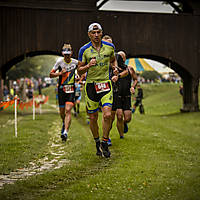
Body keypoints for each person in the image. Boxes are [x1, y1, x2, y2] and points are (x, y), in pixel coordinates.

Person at [78, 23, 118, 158]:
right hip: (91, 86)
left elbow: (113, 60)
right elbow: (79, 70)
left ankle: (105, 142)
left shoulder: (110, 47)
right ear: (89, 34)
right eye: (93, 33)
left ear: (101, 33)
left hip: (105, 84)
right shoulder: (84, 50)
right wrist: (88, 65)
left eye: (98, 32)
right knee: (93, 117)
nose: (96, 35)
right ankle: (97, 142)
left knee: (107, 115)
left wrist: (115, 68)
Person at [102, 35, 128, 146]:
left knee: (111, 117)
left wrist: (118, 76)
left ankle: (106, 136)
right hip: (102, 88)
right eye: (106, 44)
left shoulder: (117, 57)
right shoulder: (96, 56)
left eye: (110, 44)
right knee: (106, 115)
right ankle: (105, 139)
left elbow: (126, 71)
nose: (108, 46)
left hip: (114, 89)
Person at [50, 43, 78, 142]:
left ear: (71, 53)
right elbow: (51, 74)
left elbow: (82, 71)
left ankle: (65, 132)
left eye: (68, 54)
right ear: (62, 53)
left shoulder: (75, 62)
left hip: (71, 89)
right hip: (61, 89)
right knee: (62, 112)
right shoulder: (59, 62)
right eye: (65, 54)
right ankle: (64, 123)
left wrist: (79, 77)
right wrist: (60, 73)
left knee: (68, 110)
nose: (67, 56)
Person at [116, 51, 138, 138]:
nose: (121, 59)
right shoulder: (115, 70)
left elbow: (135, 79)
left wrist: (133, 87)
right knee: (119, 116)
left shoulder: (130, 69)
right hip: (117, 96)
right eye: (119, 57)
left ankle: (124, 124)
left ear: (125, 59)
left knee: (128, 118)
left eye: (122, 57)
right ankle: (121, 135)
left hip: (127, 96)